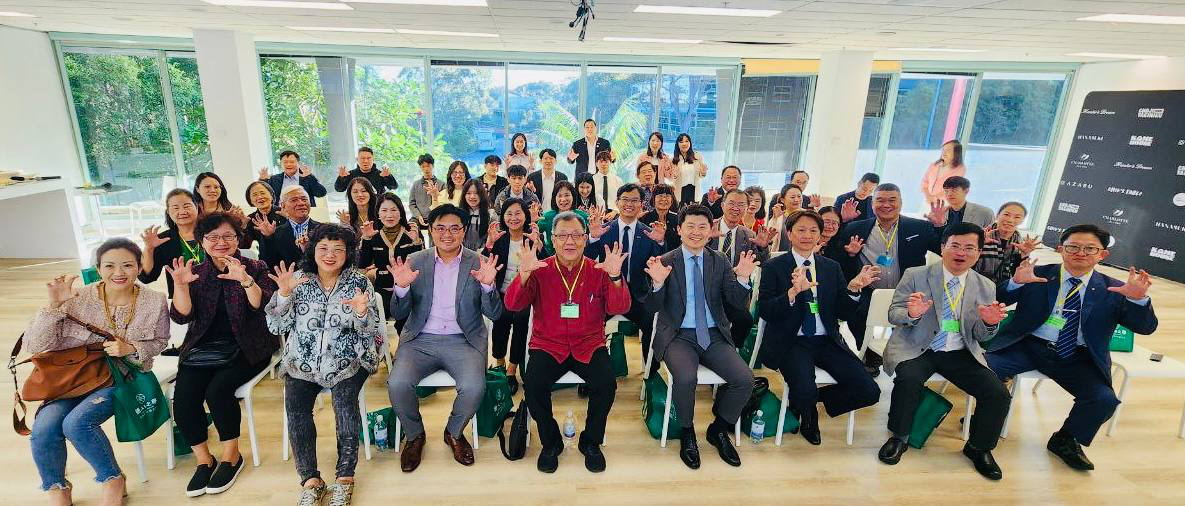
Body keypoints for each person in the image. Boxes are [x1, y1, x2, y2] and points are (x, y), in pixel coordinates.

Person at [987, 224, 1157, 472]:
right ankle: (986, 417)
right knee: (984, 371)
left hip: (1077, 355)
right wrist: (1014, 283)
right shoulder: (1037, 273)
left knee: (1103, 399)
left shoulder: (1115, 289)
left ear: (1103, 254)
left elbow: (1145, 328)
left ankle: (1066, 439)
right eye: (1073, 247)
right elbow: (998, 298)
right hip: (1027, 344)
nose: (1081, 253)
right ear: (1060, 249)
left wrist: (1137, 300)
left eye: (1090, 249)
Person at [25, 239, 169, 506]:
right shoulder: (75, 297)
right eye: (110, 266)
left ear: (140, 268)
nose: (119, 273)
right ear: (98, 269)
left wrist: (131, 348)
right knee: (43, 428)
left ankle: (112, 478)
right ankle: (56, 487)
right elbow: (35, 345)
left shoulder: (154, 300)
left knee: (76, 423)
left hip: (119, 378)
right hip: (70, 380)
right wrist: (53, 306)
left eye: (127, 265)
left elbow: (160, 341)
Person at [878, 222, 1012, 480]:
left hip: (960, 350)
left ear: (978, 252)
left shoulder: (985, 285)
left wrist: (989, 323)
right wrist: (912, 314)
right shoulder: (916, 274)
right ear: (942, 248)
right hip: (918, 346)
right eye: (955, 246)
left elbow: (982, 336)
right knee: (908, 380)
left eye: (969, 248)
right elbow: (894, 314)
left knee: (997, 393)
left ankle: (979, 447)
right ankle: (900, 437)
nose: (961, 253)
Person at [265, 224, 383, 506]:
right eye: (323, 248)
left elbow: (371, 330)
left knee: (344, 405)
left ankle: (345, 477)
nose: (330, 255)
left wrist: (361, 312)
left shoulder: (358, 282)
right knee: (296, 411)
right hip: (302, 362)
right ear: (312, 250)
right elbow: (276, 326)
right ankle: (310, 479)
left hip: (348, 359)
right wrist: (283, 295)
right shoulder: (297, 280)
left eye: (338, 249)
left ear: (349, 253)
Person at [504, 212, 631, 473]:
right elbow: (513, 304)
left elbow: (620, 307)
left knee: (606, 384)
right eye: (562, 235)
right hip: (548, 344)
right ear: (552, 239)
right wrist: (524, 274)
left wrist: (616, 277)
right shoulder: (540, 269)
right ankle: (551, 443)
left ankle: (591, 442)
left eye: (575, 235)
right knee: (533, 384)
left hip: (589, 344)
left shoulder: (598, 270)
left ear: (585, 238)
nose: (569, 241)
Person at [166, 212, 278, 498]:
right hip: (202, 347)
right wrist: (181, 286)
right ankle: (204, 459)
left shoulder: (256, 267)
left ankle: (231, 456)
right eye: (213, 237)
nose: (221, 242)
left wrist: (246, 280)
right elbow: (181, 316)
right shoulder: (195, 272)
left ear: (238, 239)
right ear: (202, 241)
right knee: (185, 397)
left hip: (249, 345)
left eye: (228, 236)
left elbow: (263, 306)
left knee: (218, 391)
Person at [385, 204, 503, 473]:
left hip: (464, 340)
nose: (447, 234)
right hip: (420, 340)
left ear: (464, 231)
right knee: (397, 383)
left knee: (474, 387)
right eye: (440, 228)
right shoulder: (415, 260)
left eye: (454, 228)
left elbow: (494, 313)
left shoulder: (479, 262)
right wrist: (401, 289)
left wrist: (488, 286)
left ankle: (454, 432)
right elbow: (398, 313)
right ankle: (415, 435)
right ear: (430, 230)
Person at [642, 203, 757, 469]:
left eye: (702, 227)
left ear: (710, 230)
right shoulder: (666, 261)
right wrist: (657, 284)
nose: (696, 232)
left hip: (714, 334)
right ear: (679, 230)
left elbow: (735, 302)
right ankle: (687, 431)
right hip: (678, 335)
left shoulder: (720, 261)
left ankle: (719, 429)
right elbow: (651, 308)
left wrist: (742, 279)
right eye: (690, 226)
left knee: (744, 379)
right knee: (685, 378)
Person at [758, 210, 881, 446]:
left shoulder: (831, 267)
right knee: (804, 386)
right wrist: (792, 293)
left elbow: (843, 313)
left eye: (813, 230)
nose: (807, 235)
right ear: (789, 233)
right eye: (801, 230)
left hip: (827, 339)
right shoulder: (774, 266)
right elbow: (766, 310)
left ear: (820, 235)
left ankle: (809, 401)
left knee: (869, 391)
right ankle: (808, 415)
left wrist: (854, 289)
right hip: (792, 340)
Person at [834, 183, 940, 373]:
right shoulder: (856, 228)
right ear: (872, 204)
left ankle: (905, 358)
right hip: (871, 290)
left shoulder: (919, 227)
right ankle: (869, 353)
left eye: (892, 200)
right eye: (880, 200)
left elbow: (942, 249)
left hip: (907, 291)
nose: (886, 205)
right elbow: (839, 262)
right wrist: (850, 254)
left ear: (901, 202)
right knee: (855, 312)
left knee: (910, 322)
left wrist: (940, 226)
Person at [586, 184, 668, 374]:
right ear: (617, 202)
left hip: (638, 296)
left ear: (641, 205)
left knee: (653, 325)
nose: (629, 204)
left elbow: (659, 263)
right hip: (606, 294)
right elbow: (588, 259)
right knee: (590, 324)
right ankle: (593, 371)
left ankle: (650, 374)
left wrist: (660, 242)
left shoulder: (649, 233)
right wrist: (593, 238)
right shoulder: (603, 230)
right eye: (625, 199)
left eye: (634, 200)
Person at [482, 199, 541, 394]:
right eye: (509, 213)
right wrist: (489, 246)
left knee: (522, 323)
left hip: (525, 293)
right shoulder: (499, 239)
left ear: (526, 216)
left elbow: (546, 263)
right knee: (501, 322)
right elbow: (485, 263)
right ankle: (499, 363)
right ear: (503, 217)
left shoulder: (531, 238)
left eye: (518, 213)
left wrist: (540, 246)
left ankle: (512, 369)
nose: (513, 218)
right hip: (502, 293)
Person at [709, 189, 774, 346]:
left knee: (745, 320)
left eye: (741, 205)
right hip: (707, 287)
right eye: (731, 203)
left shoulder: (749, 235)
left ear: (746, 208)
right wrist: (706, 239)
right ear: (722, 205)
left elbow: (763, 264)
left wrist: (763, 247)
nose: (735, 208)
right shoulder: (708, 228)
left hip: (734, 291)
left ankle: (730, 348)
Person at [357, 193, 423, 333]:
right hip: (382, 291)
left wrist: (416, 242)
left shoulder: (411, 233)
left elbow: (420, 263)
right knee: (376, 327)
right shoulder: (373, 235)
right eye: (384, 210)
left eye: (393, 210)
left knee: (405, 328)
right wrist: (366, 239)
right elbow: (363, 263)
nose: (389, 215)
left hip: (407, 291)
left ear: (400, 212)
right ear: (378, 214)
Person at [140, 189, 203, 298]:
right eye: (175, 208)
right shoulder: (163, 239)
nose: (182, 211)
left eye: (187, 206)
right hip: (182, 298)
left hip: (216, 296)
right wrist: (149, 249)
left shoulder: (211, 232)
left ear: (196, 207)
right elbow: (147, 277)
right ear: (168, 212)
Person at [974, 202, 1040, 284]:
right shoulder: (979, 235)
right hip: (976, 283)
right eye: (1006, 215)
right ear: (997, 215)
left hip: (1004, 286)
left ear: (1022, 221)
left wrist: (1024, 255)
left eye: (1017, 217)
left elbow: (1016, 274)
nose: (1010, 220)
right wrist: (978, 245)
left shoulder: (1020, 243)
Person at [261, 186, 320, 270]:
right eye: (294, 200)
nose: (301, 203)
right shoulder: (274, 233)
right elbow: (266, 264)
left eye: (304, 199)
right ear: (283, 206)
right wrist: (268, 238)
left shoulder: (324, 229)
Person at [258, 150, 328, 208]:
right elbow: (261, 194)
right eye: (285, 162)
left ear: (298, 163)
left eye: (292, 162)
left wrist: (310, 177)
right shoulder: (274, 179)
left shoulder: (306, 177)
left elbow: (321, 193)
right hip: (279, 214)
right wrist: (263, 180)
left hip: (303, 213)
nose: (288, 164)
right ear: (281, 164)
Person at [536, 181, 587, 256]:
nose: (563, 199)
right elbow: (533, 233)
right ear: (554, 198)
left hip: (577, 257)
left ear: (573, 196)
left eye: (567, 195)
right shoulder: (547, 216)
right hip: (551, 258)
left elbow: (591, 238)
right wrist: (532, 221)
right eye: (559, 196)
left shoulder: (582, 216)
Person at [924, 176, 994, 232]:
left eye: (954, 190)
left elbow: (992, 239)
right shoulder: (939, 213)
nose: (949, 194)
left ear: (966, 191)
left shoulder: (985, 213)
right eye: (946, 191)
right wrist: (937, 224)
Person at [240, 181, 282, 261]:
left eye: (262, 193)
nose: (259, 197)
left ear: (271, 195)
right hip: (266, 261)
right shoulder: (250, 219)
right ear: (250, 200)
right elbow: (245, 246)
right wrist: (243, 227)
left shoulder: (283, 213)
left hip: (288, 258)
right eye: (254, 195)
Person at [920, 139, 966, 206]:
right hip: (928, 202)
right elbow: (924, 182)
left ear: (956, 153)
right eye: (943, 150)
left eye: (948, 150)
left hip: (944, 204)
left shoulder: (960, 169)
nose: (944, 152)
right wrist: (928, 196)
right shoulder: (934, 165)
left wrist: (935, 199)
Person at [458, 178, 496, 252]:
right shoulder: (458, 214)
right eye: (468, 193)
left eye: (476, 193)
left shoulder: (491, 215)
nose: (472, 196)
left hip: (483, 255)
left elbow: (493, 240)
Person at [640, 183, 680, 253]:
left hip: (672, 257)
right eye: (660, 196)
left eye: (667, 196)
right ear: (653, 199)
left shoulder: (677, 219)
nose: (664, 199)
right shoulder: (644, 218)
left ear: (672, 200)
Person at [671, 133, 708, 206]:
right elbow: (672, 179)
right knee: (680, 211)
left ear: (690, 143)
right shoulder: (674, 159)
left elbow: (701, 175)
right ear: (677, 144)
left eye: (686, 141)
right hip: (680, 191)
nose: (684, 144)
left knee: (694, 211)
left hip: (694, 190)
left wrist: (703, 172)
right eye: (681, 142)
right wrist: (674, 176)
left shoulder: (697, 156)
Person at [766, 183, 805, 252]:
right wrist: (775, 218)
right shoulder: (779, 217)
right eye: (792, 197)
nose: (796, 200)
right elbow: (769, 238)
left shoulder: (808, 216)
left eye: (799, 196)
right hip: (781, 255)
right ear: (782, 200)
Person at [409, 153, 442, 228]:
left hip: (436, 218)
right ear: (420, 167)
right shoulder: (416, 184)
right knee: (411, 227)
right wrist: (418, 216)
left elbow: (443, 203)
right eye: (423, 166)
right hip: (418, 217)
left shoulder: (441, 184)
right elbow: (412, 203)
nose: (426, 169)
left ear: (433, 166)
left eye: (428, 166)